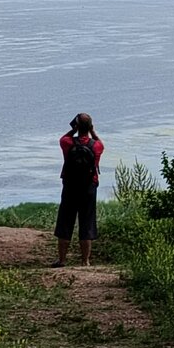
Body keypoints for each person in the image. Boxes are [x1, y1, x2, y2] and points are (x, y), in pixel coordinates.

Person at [52, 112, 104, 267]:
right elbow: (101, 143)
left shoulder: (68, 143)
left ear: (76, 126)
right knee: (87, 222)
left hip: (70, 186)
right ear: (90, 127)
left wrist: (73, 130)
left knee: (65, 221)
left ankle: (62, 260)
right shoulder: (96, 146)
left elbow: (62, 138)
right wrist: (92, 132)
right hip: (89, 187)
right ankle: (85, 261)